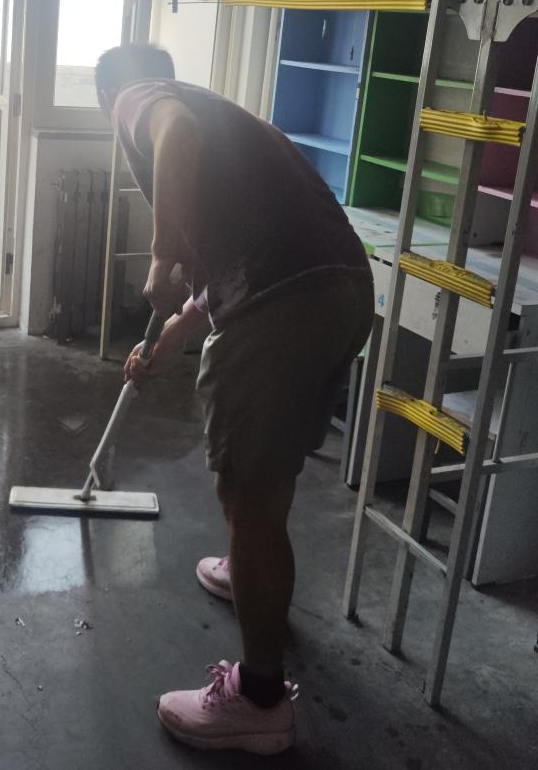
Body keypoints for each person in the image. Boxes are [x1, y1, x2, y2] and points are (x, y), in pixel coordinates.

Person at [95, 43, 374, 755]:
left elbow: (174, 133)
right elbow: (222, 275)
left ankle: (259, 702)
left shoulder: (139, 98)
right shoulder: (226, 119)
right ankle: (246, 570)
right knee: (266, 475)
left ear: (110, 98)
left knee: (248, 495)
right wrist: (169, 340)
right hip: (340, 293)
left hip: (281, 305)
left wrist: (160, 250)